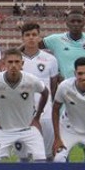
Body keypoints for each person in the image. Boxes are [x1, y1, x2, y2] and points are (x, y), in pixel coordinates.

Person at [0, 48, 49, 162]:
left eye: (17, 62)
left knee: (41, 161)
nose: (13, 65)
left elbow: (45, 92)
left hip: (28, 128)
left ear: (22, 63)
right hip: (2, 129)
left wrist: (37, 117)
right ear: (3, 63)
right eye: (10, 62)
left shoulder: (31, 80)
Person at [19, 22, 59, 159]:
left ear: (39, 37)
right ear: (22, 38)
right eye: (27, 35)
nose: (31, 38)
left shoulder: (51, 60)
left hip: (45, 113)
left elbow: (53, 87)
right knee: (23, 156)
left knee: (47, 154)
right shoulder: (15, 60)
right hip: (21, 113)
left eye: (34, 35)